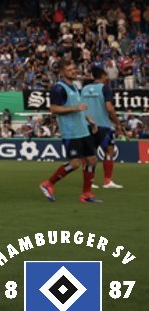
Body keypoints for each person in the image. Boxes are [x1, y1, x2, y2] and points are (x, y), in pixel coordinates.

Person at [40, 62, 99, 204]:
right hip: (71, 132)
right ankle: (48, 183)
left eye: (74, 68)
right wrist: (76, 108)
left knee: (92, 160)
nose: (73, 71)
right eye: (69, 70)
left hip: (83, 130)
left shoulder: (75, 86)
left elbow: (77, 108)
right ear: (62, 72)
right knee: (75, 164)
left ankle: (86, 194)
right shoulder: (58, 89)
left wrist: (88, 118)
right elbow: (54, 109)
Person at [81, 65, 123, 190]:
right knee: (109, 151)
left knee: (88, 155)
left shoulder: (84, 89)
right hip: (103, 125)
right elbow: (110, 109)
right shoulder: (105, 88)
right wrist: (118, 123)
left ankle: (89, 181)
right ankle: (107, 181)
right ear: (103, 76)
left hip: (87, 125)